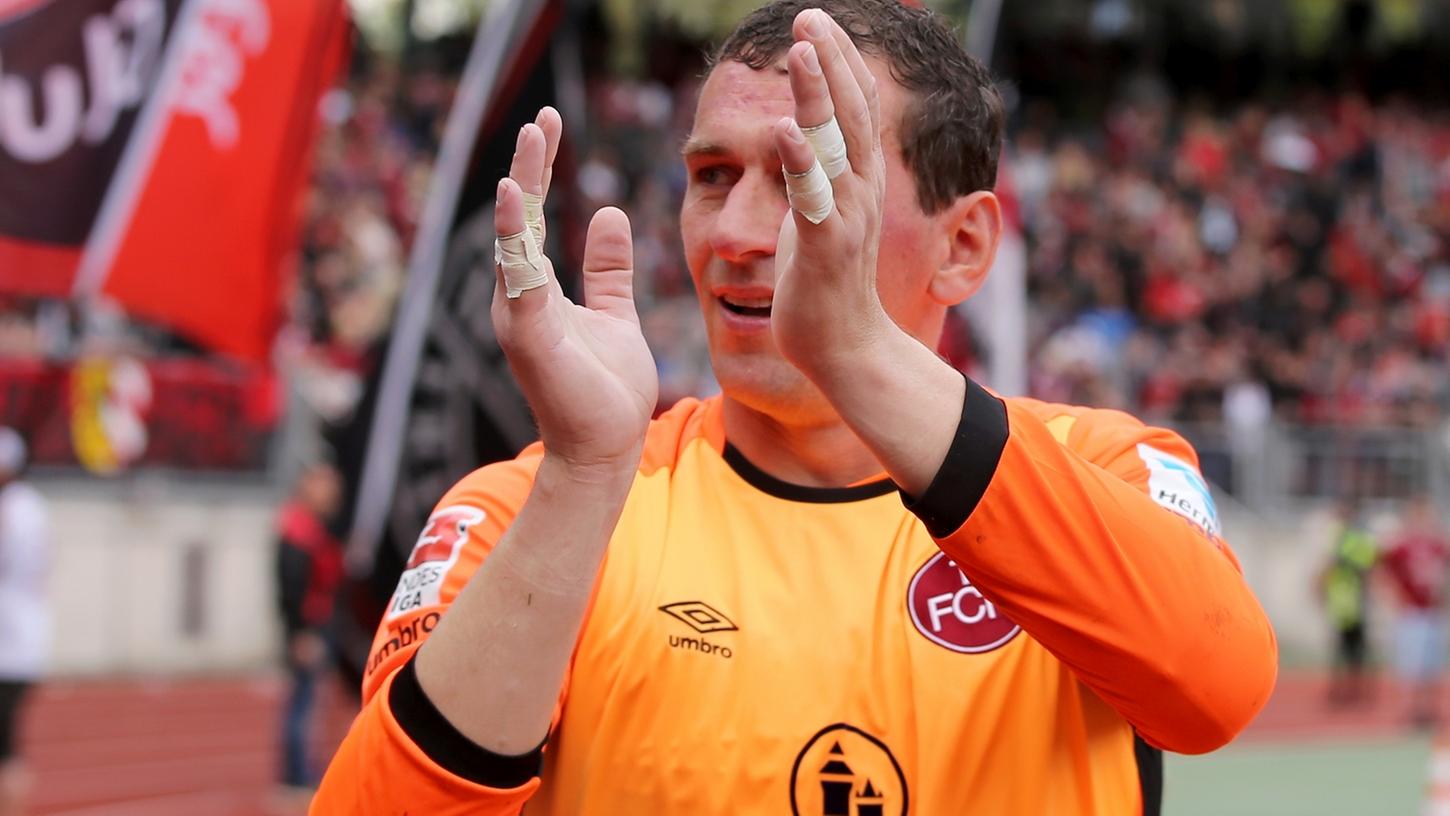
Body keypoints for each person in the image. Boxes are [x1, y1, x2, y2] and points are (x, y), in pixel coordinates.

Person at [314, 3, 1277, 813]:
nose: (734, 233)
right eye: (712, 176)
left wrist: (855, 352)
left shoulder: (1101, 465)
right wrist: (580, 480)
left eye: (808, 181)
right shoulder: (546, 504)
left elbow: (1218, 689)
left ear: (966, 246)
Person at [275, 461, 343, 793]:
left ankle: (302, 767)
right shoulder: (298, 531)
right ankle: (295, 773)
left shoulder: (314, 527)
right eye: (324, 484)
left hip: (318, 622)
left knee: (309, 699)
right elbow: (290, 587)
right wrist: (299, 633)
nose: (332, 492)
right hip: (310, 627)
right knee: (302, 700)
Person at [0, 428, 47, 816]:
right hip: (19, 639)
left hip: (10, 643)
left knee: (6, 743)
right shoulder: (30, 506)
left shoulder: (16, 509)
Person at [1381, 495, 1450, 727]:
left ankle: (1429, 709)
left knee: (1431, 664)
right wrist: (1391, 595)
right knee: (1411, 664)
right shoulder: (1401, 545)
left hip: (1432, 611)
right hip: (1411, 611)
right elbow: (1384, 569)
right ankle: (1410, 709)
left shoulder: (1438, 544)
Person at [1321, 498, 1377, 707]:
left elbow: (1363, 567)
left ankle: (1354, 690)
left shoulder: (1352, 538)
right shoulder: (1346, 536)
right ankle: (1347, 689)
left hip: (1353, 600)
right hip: (1344, 600)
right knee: (1347, 647)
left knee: (1354, 648)